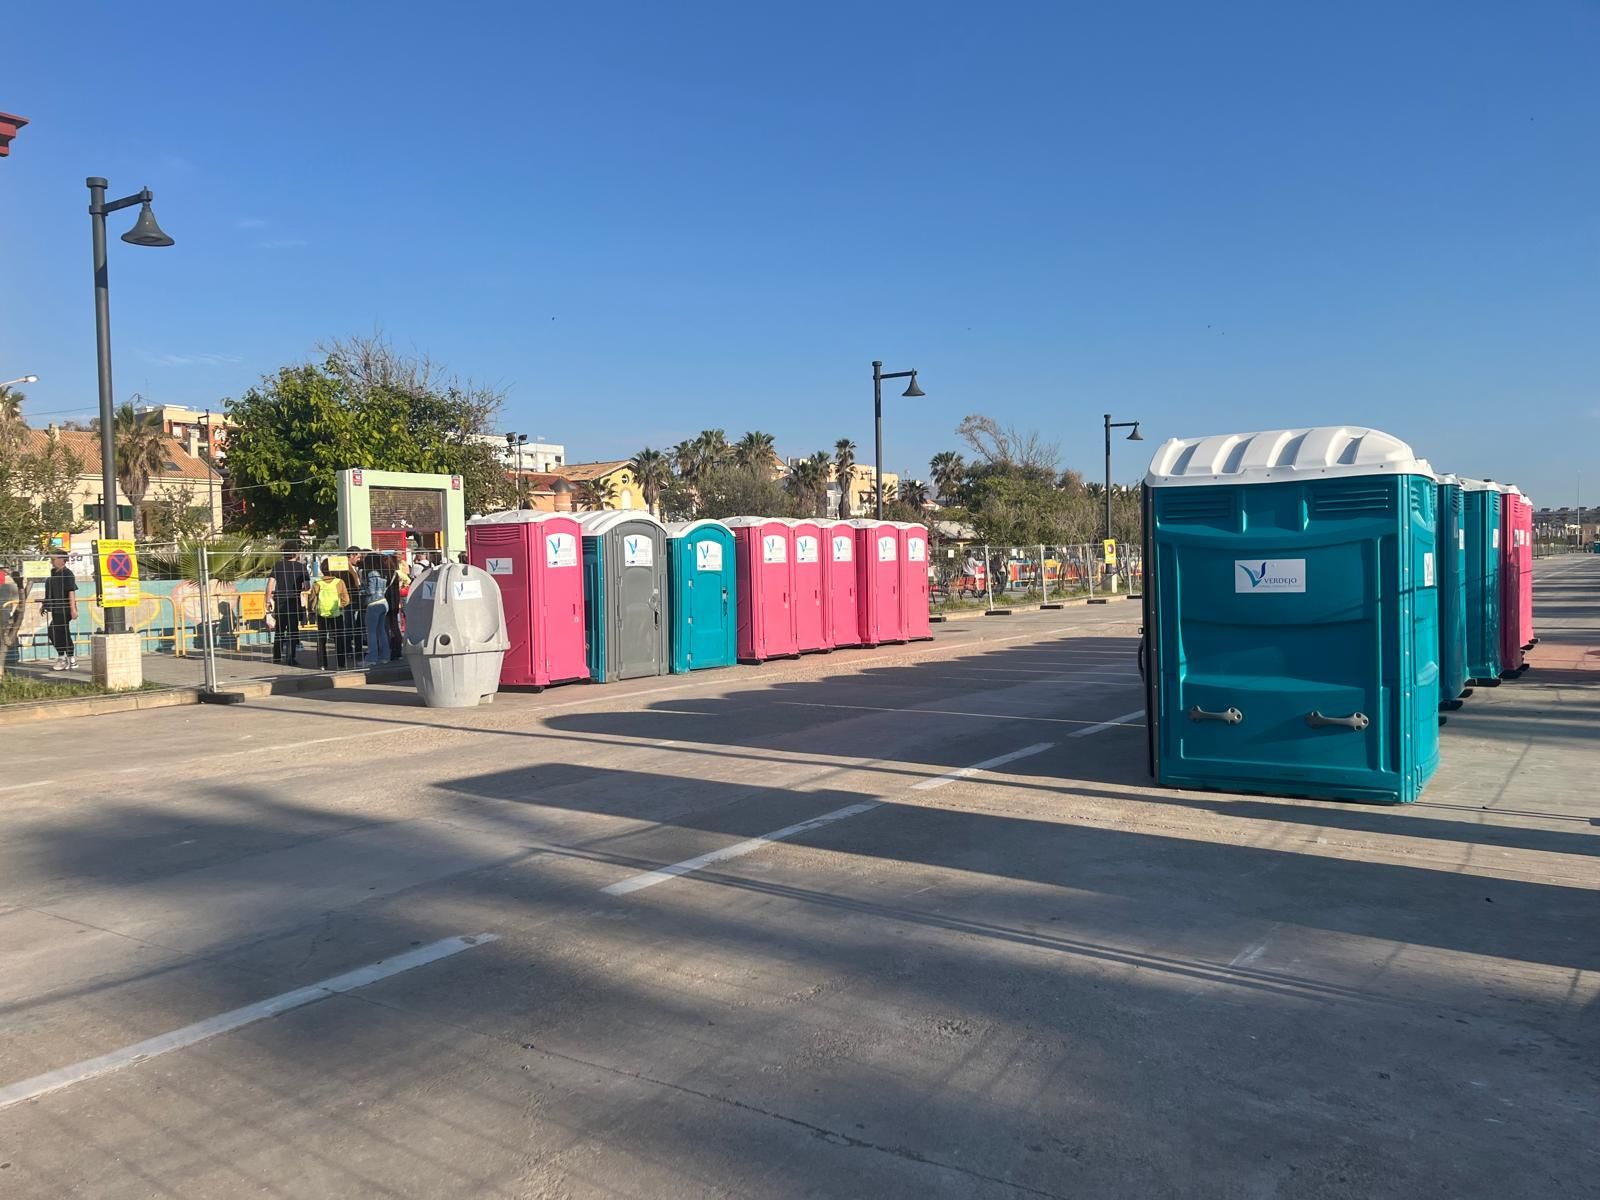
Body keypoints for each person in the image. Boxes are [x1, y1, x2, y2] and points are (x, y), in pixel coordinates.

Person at [265, 542, 310, 666]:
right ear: (296, 553)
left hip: (280, 600)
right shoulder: (301, 567)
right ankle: (290, 657)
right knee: (292, 630)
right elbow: (306, 586)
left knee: (279, 629)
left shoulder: (278, 566)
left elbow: (270, 583)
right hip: (293, 601)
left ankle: (277, 656)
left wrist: (268, 600)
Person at [40, 551, 78, 671]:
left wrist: (73, 609)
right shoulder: (53, 573)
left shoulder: (67, 573)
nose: (51, 561)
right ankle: (70, 658)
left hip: (65, 608)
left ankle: (64, 657)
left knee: (57, 631)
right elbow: (50, 592)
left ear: (62, 559)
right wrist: (45, 605)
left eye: (53, 559)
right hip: (56, 608)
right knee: (59, 632)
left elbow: (71, 591)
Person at [309, 561, 351, 670]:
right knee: (339, 639)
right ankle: (341, 664)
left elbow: (312, 599)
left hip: (322, 614)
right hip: (336, 613)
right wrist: (338, 606)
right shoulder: (340, 582)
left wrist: (312, 610)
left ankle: (322, 664)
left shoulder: (317, 582)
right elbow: (346, 600)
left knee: (321, 640)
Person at [363, 552, 391, 665]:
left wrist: (360, 589)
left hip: (373, 603)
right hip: (383, 602)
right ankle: (385, 656)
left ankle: (371, 658)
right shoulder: (383, 572)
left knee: (371, 632)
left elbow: (371, 591)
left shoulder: (371, 573)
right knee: (381, 631)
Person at [384, 551, 404, 661]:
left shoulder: (386, 573)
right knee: (395, 626)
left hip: (388, 601)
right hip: (395, 602)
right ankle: (398, 650)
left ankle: (392, 650)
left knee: (388, 627)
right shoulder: (396, 573)